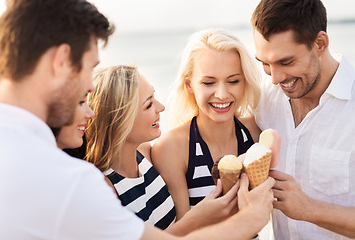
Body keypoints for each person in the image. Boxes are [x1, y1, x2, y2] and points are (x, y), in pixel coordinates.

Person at [0, 0, 274, 239]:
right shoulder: (66, 181)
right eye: (90, 68)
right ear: (60, 61)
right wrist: (252, 217)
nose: (91, 89)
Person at [85, 65, 241, 234]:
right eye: (149, 104)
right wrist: (198, 216)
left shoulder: (145, 154)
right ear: (120, 122)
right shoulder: (105, 188)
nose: (161, 107)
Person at [251, 0, 355, 239]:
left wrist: (309, 209)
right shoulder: (263, 97)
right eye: (265, 64)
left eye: (286, 62)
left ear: (320, 44)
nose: (275, 78)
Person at [151, 28, 263, 220]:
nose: (222, 94)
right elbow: (181, 230)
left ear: (244, 82)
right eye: (209, 83)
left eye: (233, 81)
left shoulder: (255, 133)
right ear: (189, 85)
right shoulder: (171, 147)